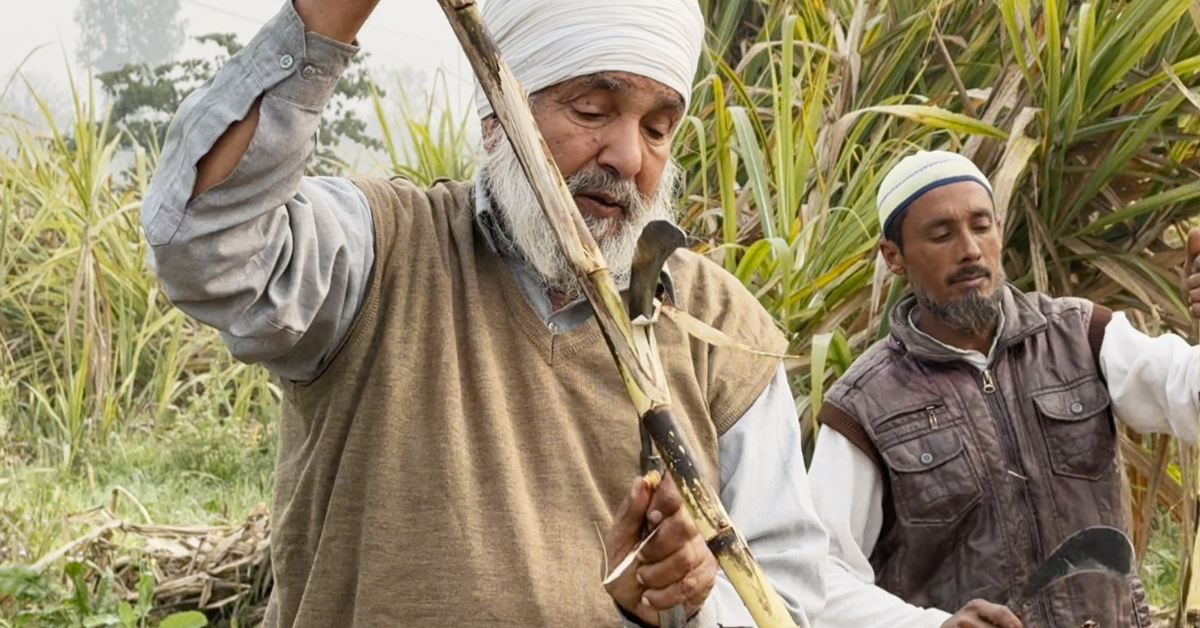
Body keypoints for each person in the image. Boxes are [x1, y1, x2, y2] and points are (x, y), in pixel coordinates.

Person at [138, 0, 829, 626]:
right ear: (500, 113)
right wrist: (324, 20)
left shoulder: (718, 327)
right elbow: (203, 246)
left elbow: (788, 604)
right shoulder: (381, 254)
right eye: (591, 110)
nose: (627, 157)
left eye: (656, 128)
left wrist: (685, 604)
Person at [807, 149, 1200, 628]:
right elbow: (817, 573)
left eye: (981, 225)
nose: (970, 248)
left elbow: (1190, 398)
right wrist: (932, 626)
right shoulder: (863, 405)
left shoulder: (1082, 335)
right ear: (894, 257)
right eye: (941, 234)